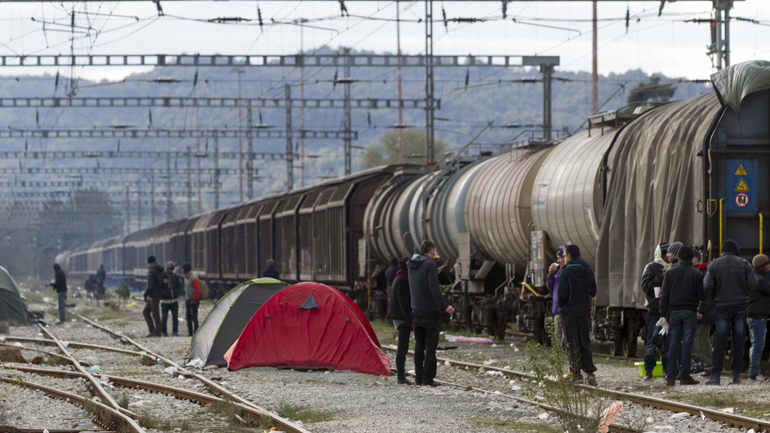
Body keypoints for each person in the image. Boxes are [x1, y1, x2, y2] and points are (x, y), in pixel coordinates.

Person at [704, 239, 758, 385]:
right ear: (736, 251)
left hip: (722, 306)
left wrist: (716, 296)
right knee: (739, 341)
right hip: (740, 306)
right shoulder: (744, 264)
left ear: (723, 250)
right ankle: (736, 376)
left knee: (720, 340)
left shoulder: (714, 264)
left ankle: (715, 376)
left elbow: (707, 285)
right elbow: (753, 283)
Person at [408, 239, 455, 387]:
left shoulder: (412, 265)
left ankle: (418, 378)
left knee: (419, 345)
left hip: (416, 311)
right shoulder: (430, 264)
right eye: (434, 250)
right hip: (429, 312)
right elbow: (434, 288)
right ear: (432, 250)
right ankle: (428, 379)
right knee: (430, 348)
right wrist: (445, 306)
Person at [659, 245, 705, 386]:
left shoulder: (670, 273)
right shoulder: (697, 274)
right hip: (690, 312)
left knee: (673, 344)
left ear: (678, 257)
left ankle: (671, 377)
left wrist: (663, 314)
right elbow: (702, 295)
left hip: (673, 313)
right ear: (692, 258)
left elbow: (664, 294)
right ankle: (685, 376)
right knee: (687, 345)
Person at [557, 244, 597, 385]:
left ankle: (576, 373)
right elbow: (593, 292)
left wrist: (562, 305)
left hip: (569, 312)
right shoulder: (589, 271)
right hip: (584, 312)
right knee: (584, 341)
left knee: (571, 343)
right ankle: (590, 372)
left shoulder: (566, 272)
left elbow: (561, 295)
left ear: (568, 255)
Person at [641, 242, 670, 380]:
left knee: (667, 342)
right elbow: (645, 286)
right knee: (652, 341)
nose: (667, 256)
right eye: (665, 254)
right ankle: (648, 370)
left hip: (668, 310)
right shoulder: (651, 267)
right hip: (654, 310)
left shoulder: (673, 267)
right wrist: (660, 278)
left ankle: (666, 369)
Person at [387, 257, 412, 385]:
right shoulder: (402, 280)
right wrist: (409, 320)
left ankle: (401, 376)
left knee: (402, 347)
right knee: (402, 347)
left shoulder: (399, 278)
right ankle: (401, 377)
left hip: (398, 316)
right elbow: (403, 303)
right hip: (400, 317)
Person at [747, 254, 770, 380]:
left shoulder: (753, 276)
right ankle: (754, 374)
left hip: (753, 315)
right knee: (757, 345)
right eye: (768, 264)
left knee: (755, 344)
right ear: (763, 266)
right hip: (757, 316)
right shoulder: (760, 279)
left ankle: (754, 372)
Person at [691, 249, 713, 375]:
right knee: (704, 337)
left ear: (695, 259)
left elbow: (705, 295)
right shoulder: (707, 271)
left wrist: (700, 310)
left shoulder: (701, 273)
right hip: (708, 311)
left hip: (703, 312)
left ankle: (700, 365)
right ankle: (709, 364)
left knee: (697, 336)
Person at [546, 246, 566, 345]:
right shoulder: (559, 272)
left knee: (564, 341)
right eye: (557, 259)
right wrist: (550, 274)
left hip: (564, 312)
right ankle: (560, 358)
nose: (558, 261)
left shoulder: (567, 271)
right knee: (559, 340)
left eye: (560, 258)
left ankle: (564, 359)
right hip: (558, 311)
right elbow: (552, 288)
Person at [142, 255, 164, 338]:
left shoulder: (151, 271)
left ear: (148, 262)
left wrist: (146, 293)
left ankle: (157, 333)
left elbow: (151, 285)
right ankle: (152, 331)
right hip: (156, 294)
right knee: (146, 312)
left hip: (153, 296)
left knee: (155, 314)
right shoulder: (159, 270)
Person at [160, 261, 182, 337]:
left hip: (174, 300)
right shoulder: (162, 277)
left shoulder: (175, 277)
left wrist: (176, 292)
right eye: (169, 269)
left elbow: (179, 287)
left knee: (175, 317)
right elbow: (160, 288)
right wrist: (164, 294)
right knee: (164, 317)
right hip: (165, 301)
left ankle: (175, 331)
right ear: (166, 269)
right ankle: (164, 332)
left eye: (172, 269)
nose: (171, 271)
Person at [183, 262, 202, 336]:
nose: (182, 270)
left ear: (186, 270)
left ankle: (196, 331)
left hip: (193, 300)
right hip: (188, 300)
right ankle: (190, 332)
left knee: (194, 317)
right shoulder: (186, 277)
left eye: (183, 269)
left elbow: (197, 290)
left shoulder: (193, 278)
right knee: (188, 317)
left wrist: (194, 299)